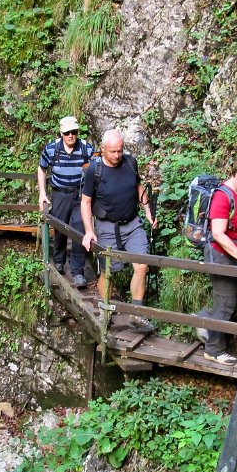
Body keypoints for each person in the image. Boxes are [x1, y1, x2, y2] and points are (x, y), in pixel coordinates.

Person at [80, 129, 157, 332]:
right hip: (106, 226)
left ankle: (137, 315)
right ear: (103, 149)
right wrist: (89, 230)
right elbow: (86, 202)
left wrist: (147, 210)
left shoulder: (130, 163)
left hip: (132, 224)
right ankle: (106, 312)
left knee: (141, 266)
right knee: (108, 271)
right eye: (113, 151)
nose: (117, 155)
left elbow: (137, 187)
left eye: (120, 151)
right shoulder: (94, 171)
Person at [196, 154, 237, 365]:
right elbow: (218, 233)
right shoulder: (223, 197)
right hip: (221, 254)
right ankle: (214, 350)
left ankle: (204, 319)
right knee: (225, 305)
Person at [38, 116, 94, 288]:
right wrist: (42, 193)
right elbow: (42, 168)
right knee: (59, 226)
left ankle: (78, 271)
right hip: (59, 193)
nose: (71, 135)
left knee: (79, 228)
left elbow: (95, 170)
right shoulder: (52, 149)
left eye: (74, 132)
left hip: (80, 196)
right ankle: (59, 260)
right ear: (61, 133)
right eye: (67, 132)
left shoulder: (86, 148)